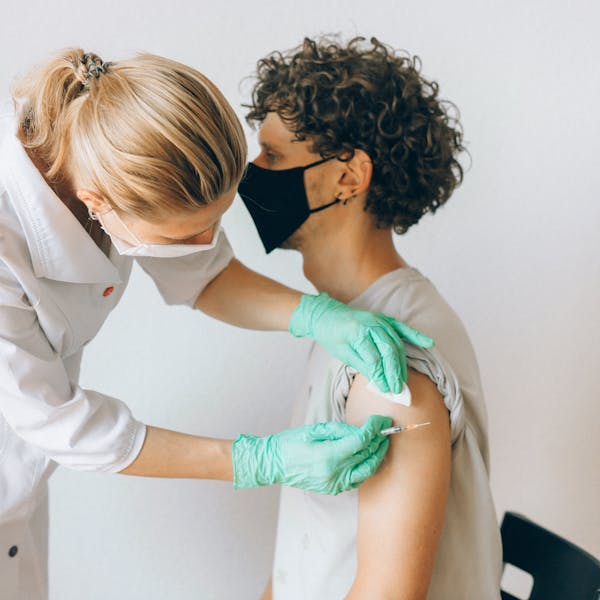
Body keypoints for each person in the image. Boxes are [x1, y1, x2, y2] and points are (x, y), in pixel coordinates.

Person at [0, 49, 433, 599]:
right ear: (96, 201)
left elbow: (205, 276)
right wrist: (260, 460)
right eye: (185, 236)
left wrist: (317, 314)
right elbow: (59, 423)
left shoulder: (109, 134)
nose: (205, 246)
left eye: (214, 225)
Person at [238, 36, 503, 599]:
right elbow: (309, 548)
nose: (251, 173)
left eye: (274, 156)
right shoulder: (344, 321)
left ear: (348, 177)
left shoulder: (389, 368)